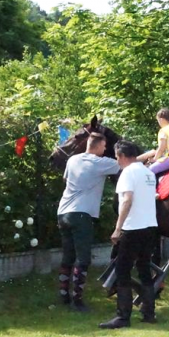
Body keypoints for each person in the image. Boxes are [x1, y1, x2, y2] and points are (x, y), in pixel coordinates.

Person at [57, 132, 120, 312]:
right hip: (81, 214)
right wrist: (151, 155)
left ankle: (64, 297)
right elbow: (127, 163)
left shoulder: (72, 160)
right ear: (97, 146)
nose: (106, 149)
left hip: (63, 212)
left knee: (68, 256)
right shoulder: (100, 163)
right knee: (83, 259)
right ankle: (77, 300)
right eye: (104, 146)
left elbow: (65, 179)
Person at [99, 140, 159, 329]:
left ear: (123, 156)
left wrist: (118, 227)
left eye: (117, 157)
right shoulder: (149, 173)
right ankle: (149, 313)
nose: (117, 161)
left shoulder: (127, 173)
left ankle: (123, 317)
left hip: (133, 228)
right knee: (144, 269)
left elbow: (127, 201)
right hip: (151, 227)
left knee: (122, 271)